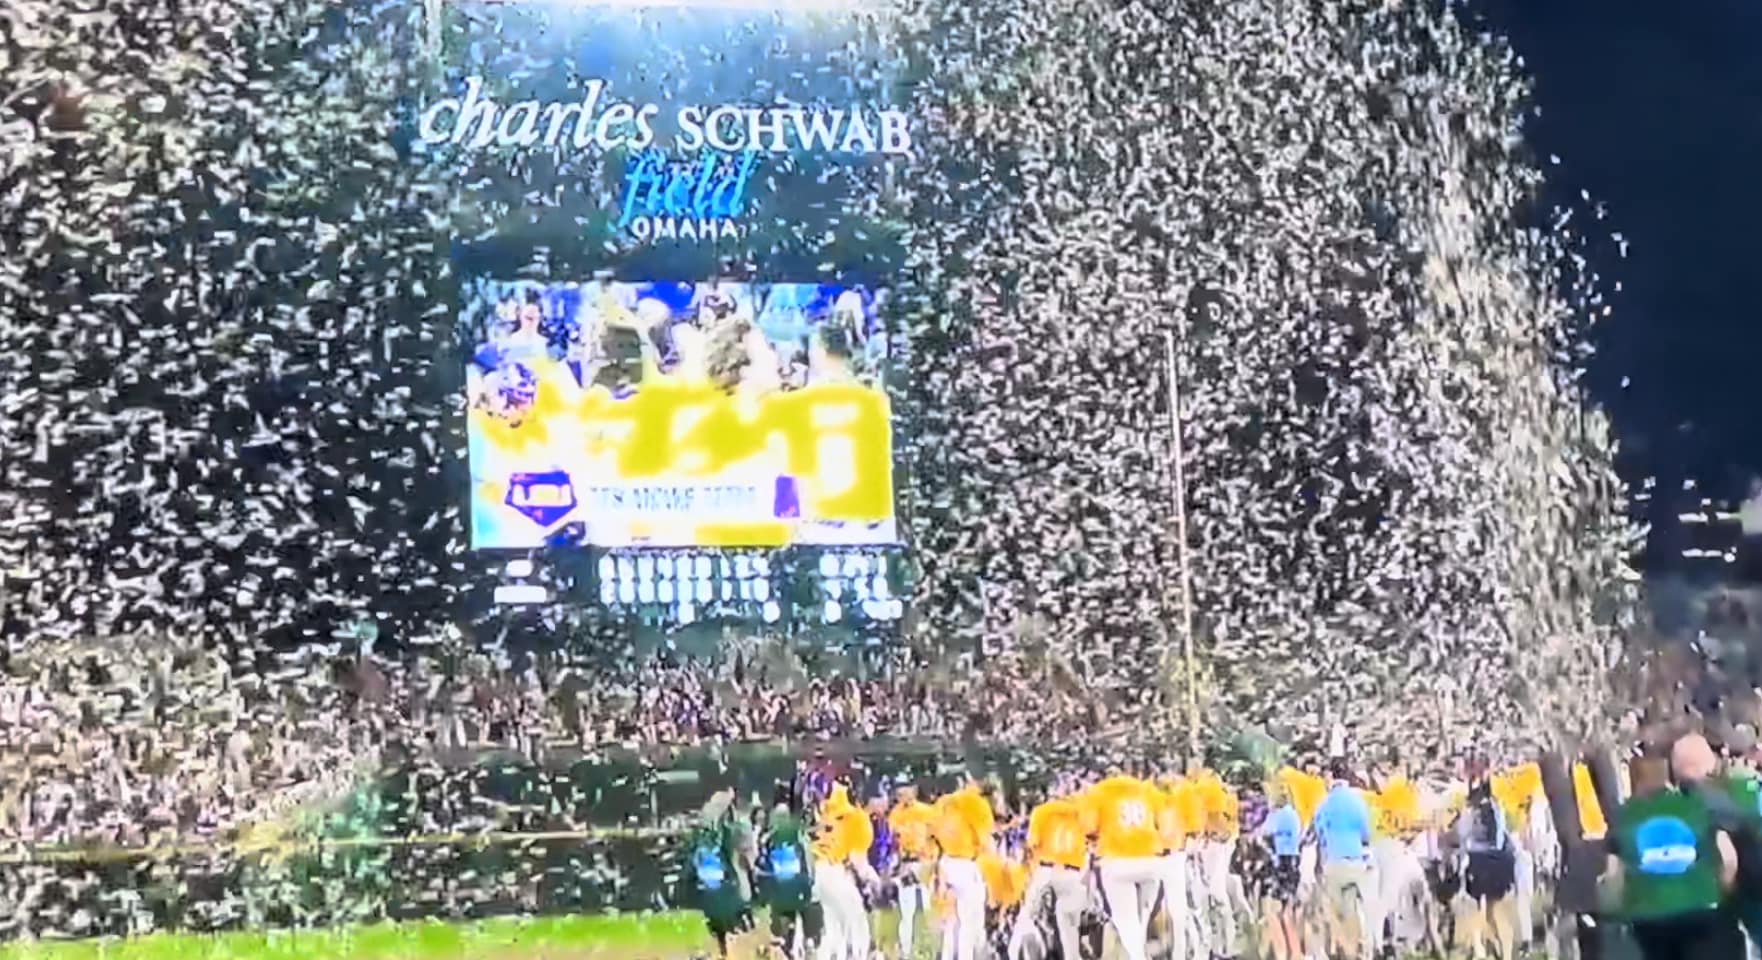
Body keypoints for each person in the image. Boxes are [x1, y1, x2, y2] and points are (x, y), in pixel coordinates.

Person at [1605, 752, 1743, 960]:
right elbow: (1729, 858)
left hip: (1650, 919)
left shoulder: (1624, 816)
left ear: (1634, 782)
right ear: (1667, 778)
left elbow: (1613, 875)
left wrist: (1616, 910)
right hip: (1703, 911)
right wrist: (1724, 892)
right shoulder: (1698, 804)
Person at [1080, 767, 1165, 960]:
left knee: (1127, 922)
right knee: (1141, 922)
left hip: (1118, 863)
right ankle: (1140, 953)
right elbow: (1161, 818)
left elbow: (1089, 827)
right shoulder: (1143, 789)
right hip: (1151, 860)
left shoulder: (1100, 791)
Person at [1011, 785, 1090, 960]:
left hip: (1046, 870)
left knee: (1026, 916)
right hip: (1072, 873)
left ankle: (1015, 953)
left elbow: (1032, 844)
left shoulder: (1043, 811)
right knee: (1069, 927)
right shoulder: (1080, 812)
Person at [1455, 764, 1519, 960]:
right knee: (1495, 909)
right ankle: (1505, 952)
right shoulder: (1497, 807)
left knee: (1476, 909)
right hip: (1500, 862)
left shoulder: (1472, 810)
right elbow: (1502, 837)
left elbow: (1462, 836)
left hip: (1480, 861)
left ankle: (1479, 951)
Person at [1312, 762, 1374, 960]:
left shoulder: (1325, 803)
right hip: (1355, 860)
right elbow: (1367, 833)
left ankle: (1343, 951)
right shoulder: (1358, 801)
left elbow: (1318, 832)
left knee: (1334, 912)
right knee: (1352, 909)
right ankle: (1358, 952)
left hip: (1333, 861)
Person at [813, 783, 878, 960]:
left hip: (814, 870)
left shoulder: (829, 809)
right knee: (857, 923)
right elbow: (858, 861)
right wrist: (875, 881)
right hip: (832, 870)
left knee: (832, 925)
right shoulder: (858, 819)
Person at [688, 788, 756, 959]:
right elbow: (745, 858)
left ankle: (725, 951)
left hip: (710, 888)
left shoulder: (705, 827)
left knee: (721, 926)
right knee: (734, 924)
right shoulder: (733, 826)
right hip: (729, 888)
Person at [933, 776, 996, 960]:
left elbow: (934, 833)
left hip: (946, 861)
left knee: (951, 923)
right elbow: (986, 841)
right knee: (970, 923)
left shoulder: (944, 803)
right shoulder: (976, 803)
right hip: (966, 866)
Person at [759, 784, 820, 960]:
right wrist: (810, 877)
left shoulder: (768, 835)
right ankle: (805, 944)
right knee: (801, 912)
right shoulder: (795, 831)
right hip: (795, 880)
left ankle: (790, 946)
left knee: (787, 917)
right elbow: (806, 854)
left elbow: (764, 858)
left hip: (780, 882)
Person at [888, 781, 938, 960]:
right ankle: (906, 951)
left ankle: (931, 949)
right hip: (906, 864)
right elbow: (892, 841)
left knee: (928, 908)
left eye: (905, 790)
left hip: (925, 864)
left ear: (914, 790)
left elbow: (937, 837)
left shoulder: (928, 812)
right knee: (906, 911)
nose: (902, 795)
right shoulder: (895, 814)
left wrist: (933, 863)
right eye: (899, 792)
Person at [1257, 780, 1305, 960]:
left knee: (1273, 911)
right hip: (1292, 862)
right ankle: (1295, 953)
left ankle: (1282, 953)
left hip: (1283, 863)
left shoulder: (1280, 815)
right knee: (1286, 912)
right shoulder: (1292, 814)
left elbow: (1262, 832)